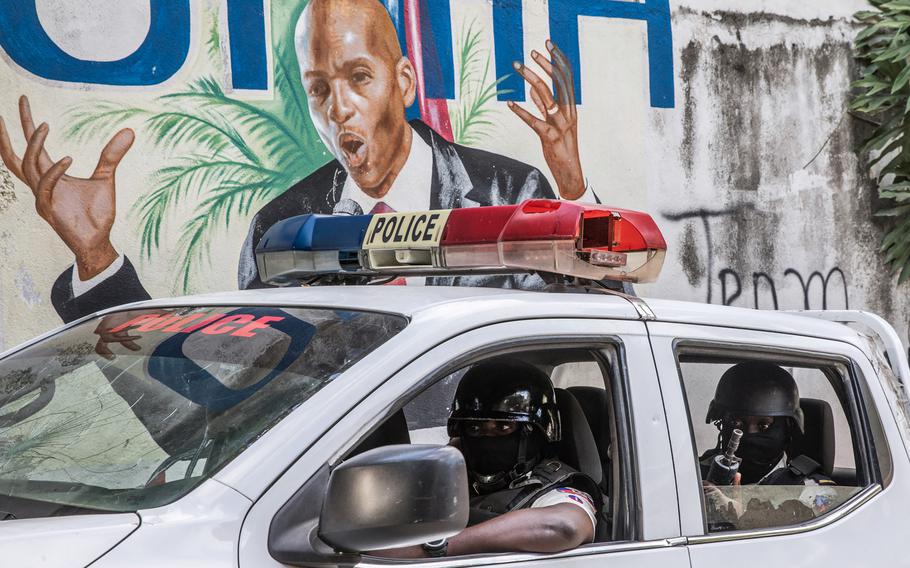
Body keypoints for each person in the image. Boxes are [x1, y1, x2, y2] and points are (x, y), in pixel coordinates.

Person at [0, 0, 595, 327]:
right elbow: (235, 393)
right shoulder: (282, 226)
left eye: (359, 78)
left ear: (404, 81)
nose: (340, 109)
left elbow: (583, 330)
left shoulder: (507, 191)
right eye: (318, 89)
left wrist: (571, 185)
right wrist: (95, 257)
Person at [377, 360, 601, 559]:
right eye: (474, 429)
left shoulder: (556, 490)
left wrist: (434, 548)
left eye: (503, 428)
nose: (486, 438)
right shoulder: (453, 475)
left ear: (534, 433)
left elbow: (564, 527)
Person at [699, 362, 837, 526]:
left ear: (787, 429)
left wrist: (741, 519)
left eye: (764, 425)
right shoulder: (695, 473)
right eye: (738, 423)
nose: (749, 433)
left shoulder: (810, 491)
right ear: (722, 423)